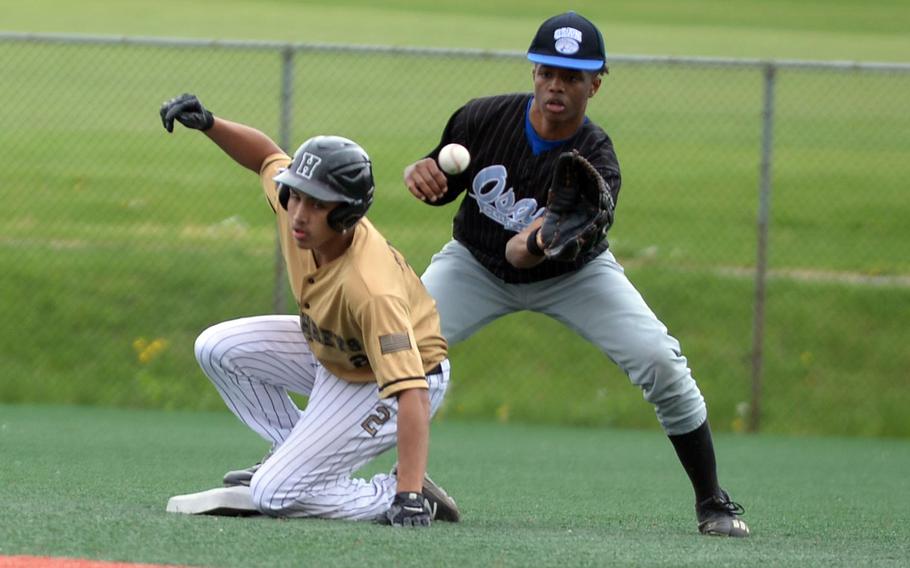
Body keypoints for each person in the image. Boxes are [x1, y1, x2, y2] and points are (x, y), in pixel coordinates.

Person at [403, 12, 750, 537]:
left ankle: (712, 501)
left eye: (571, 76)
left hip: (574, 276)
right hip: (473, 263)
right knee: (394, 345)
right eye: (547, 72)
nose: (556, 86)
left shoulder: (597, 158)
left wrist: (536, 242)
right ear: (534, 74)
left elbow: (530, 252)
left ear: (596, 83)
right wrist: (422, 173)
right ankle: (384, 476)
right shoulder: (481, 119)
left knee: (660, 361)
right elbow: (443, 177)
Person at [159, 93, 459, 527]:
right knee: (216, 347)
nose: (299, 212)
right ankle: (297, 457)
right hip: (334, 350)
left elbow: (410, 390)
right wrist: (209, 124)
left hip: (395, 380)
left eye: (317, 203)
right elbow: (265, 156)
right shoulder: (293, 210)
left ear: (347, 213)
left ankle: (392, 493)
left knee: (272, 494)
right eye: (297, 195)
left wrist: (408, 493)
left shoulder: (371, 287)